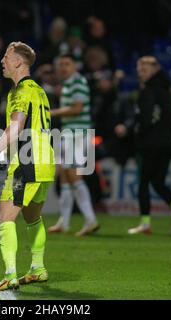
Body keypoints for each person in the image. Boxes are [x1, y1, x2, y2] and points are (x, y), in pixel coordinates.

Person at [0, 42, 55, 291]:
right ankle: (38, 269)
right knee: (33, 218)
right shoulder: (39, 90)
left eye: (6, 57)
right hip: (45, 161)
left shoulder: (19, 92)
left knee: (4, 217)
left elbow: (17, 128)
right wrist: (2, 158)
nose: (2, 61)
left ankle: (10, 274)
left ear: (19, 62)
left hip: (28, 163)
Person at [128, 56, 171, 235]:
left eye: (144, 70)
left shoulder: (149, 91)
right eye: (139, 71)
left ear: (154, 70)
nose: (140, 74)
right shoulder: (167, 88)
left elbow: (148, 117)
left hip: (151, 143)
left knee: (144, 182)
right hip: (168, 143)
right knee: (158, 181)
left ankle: (145, 223)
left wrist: (138, 130)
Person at [48, 54, 99, 236]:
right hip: (70, 133)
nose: (63, 67)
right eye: (60, 64)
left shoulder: (77, 82)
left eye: (67, 64)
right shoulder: (70, 83)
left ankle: (90, 219)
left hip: (77, 134)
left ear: (75, 66)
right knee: (64, 177)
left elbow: (78, 108)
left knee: (74, 176)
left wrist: (53, 113)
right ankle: (65, 221)